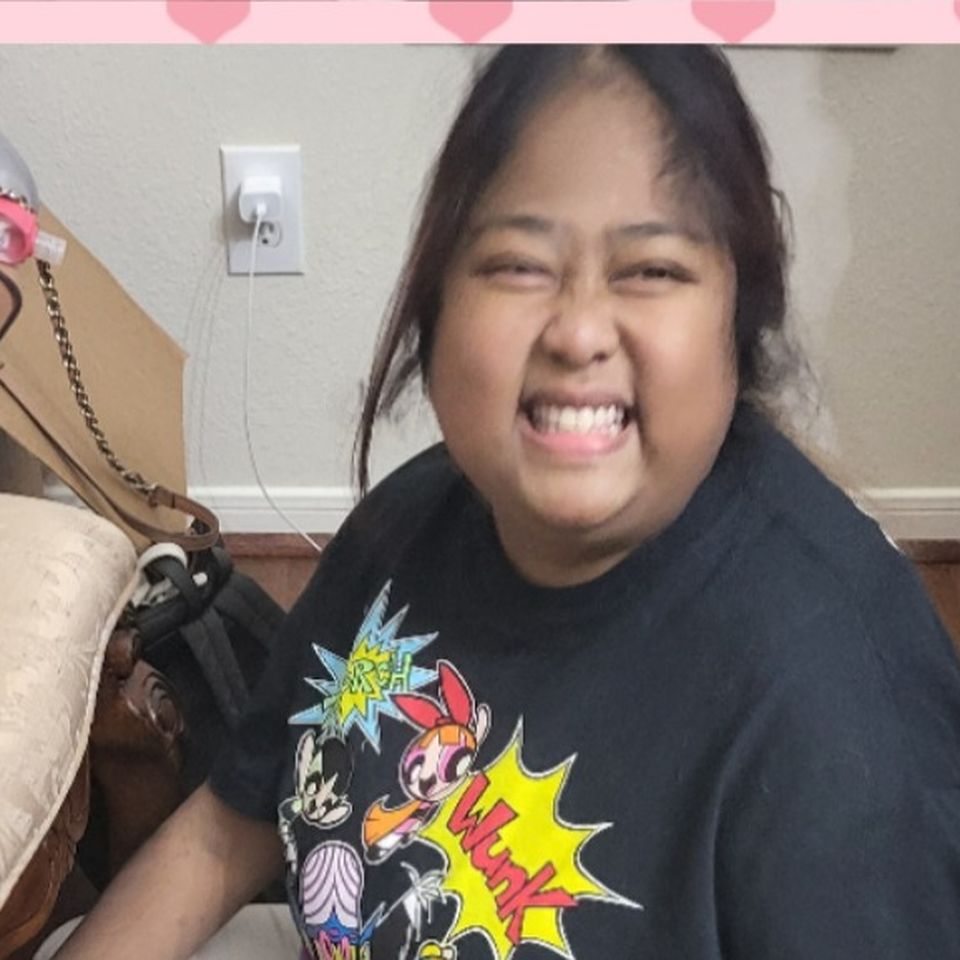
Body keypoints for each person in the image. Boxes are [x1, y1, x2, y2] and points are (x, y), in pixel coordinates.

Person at [50, 45, 960, 960]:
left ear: (740, 316)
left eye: (652, 269)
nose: (578, 331)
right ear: (434, 304)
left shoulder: (844, 719)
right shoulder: (410, 521)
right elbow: (225, 830)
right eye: (520, 265)